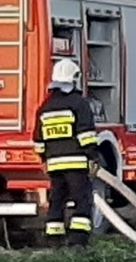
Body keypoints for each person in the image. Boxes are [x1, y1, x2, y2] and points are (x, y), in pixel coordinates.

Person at [33, 58, 99, 246]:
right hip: (77, 163)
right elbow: (86, 134)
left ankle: (54, 241)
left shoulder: (45, 107)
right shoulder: (79, 103)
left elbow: (38, 139)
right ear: (74, 79)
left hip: (54, 164)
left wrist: (44, 158)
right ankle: (78, 242)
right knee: (82, 200)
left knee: (57, 201)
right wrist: (92, 157)